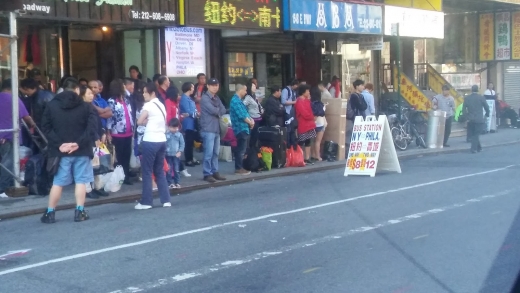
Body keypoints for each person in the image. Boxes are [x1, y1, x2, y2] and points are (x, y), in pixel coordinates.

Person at [40, 78, 98, 223]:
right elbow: (91, 128)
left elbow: (45, 127)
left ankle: (50, 212)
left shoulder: (52, 105)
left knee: (58, 182)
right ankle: (79, 211)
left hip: (61, 151)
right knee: (81, 181)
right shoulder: (86, 106)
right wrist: (78, 143)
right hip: (82, 149)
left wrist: (60, 144)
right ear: (77, 89)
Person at [135, 83, 171, 209]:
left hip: (150, 140)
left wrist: (145, 121)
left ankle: (146, 202)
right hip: (162, 140)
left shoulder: (149, 105)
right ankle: (166, 200)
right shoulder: (161, 105)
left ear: (152, 93)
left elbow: (139, 121)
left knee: (147, 171)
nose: (143, 94)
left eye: (145, 92)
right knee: (159, 170)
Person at [0, 79, 37, 197]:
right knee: (8, 163)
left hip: (2, 135)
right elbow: (26, 117)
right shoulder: (14, 99)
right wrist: (34, 125)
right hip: (10, 136)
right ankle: (3, 189)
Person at [107, 79, 134, 185]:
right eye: (122, 85)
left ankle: (126, 176)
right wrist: (108, 132)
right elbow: (110, 118)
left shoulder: (126, 100)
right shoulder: (111, 101)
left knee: (127, 155)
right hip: (117, 133)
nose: (124, 87)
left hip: (128, 131)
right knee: (119, 156)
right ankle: (119, 177)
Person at [199, 78, 226, 183]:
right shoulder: (205, 98)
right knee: (208, 152)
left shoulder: (217, 97)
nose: (215, 87)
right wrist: (218, 110)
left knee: (215, 152)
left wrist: (218, 110)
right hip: (208, 128)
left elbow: (223, 109)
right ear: (208, 86)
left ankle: (215, 171)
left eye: (216, 85)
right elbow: (214, 111)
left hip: (216, 128)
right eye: (213, 85)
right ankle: (207, 173)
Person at [230, 84, 254, 175]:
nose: (246, 92)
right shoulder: (235, 101)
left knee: (242, 149)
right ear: (240, 90)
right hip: (240, 128)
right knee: (241, 149)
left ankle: (241, 167)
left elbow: (246, 113)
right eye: (245, 90)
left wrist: (251, 121)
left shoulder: (239, 101)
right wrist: (250, 122)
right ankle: (238, 168)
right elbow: (242, 115)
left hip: (244, 127)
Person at [179, 82, 200, 167]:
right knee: (188, 141)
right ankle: (188, 159)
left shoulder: (189, 98)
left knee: (191, 142)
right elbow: (188, 111)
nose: (193, 89)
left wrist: (194, 113)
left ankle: (191, 158)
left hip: (192, 121)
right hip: (187, 122)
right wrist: (196, 114)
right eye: (192, 87)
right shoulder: (184, 98)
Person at [295, 84, 317, 165]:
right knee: (301, 141)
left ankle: (307, 158)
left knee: (308, 141)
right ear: (303, 92)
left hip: (309, 124)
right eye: (307, 91)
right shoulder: (299, 101)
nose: (308, 92)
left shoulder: (307, 100)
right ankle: (300, 158)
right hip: (304, 124)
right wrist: (312, 117)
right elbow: (305, 113)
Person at [464, 85, 490, 154]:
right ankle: (473, 148)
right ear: (477, 90)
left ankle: (479, 147)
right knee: (476, 134)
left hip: (470, 119)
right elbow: (486, 107)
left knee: (473, 133)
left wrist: (466, 117)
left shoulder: (467, 98)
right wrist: (487, 114)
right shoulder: (481, 98)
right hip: (479, 118)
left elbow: (463, 109)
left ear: (471, 90)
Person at [243, 79, 263, 148]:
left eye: (255, 86)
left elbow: (259, 105)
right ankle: (249, 154)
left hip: (258, 119)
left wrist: (262, 110)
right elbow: (243, 106)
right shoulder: (248, 97)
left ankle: (253, 152)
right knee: (251, 138)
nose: (255, 87)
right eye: (253, 86)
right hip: (252, 119)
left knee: (255, 138)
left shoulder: (254, 97)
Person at [347, 80, 367, 146]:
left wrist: (362, 106)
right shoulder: (354, 96)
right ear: (357, 86)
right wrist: (362, 106)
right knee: (356, 134)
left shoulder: (361, 96)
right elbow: (360, 106)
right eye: (361, 85)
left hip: (361, 117)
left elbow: (365, 106)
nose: (363, 87)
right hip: (356, 117)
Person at [165, 118, 185, 189]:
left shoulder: (179, 135)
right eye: (173, 127)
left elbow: (182, 144)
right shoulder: (166, 134)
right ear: (169, 127)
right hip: (168, 154)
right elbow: (164, 144)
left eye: (176, 127)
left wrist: (180, 151)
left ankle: (177, 182)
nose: (175, 129)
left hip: (176, 155)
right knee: (169, 169)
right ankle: (169, 183)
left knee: (176, 169)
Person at [281, 79, 299, 150]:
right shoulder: (286, 90)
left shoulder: (293, 91)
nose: (296, 86)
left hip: (292, 112)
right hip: (287, 112)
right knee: (288, 129)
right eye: (296, 85)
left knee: (292, 129)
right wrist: (294, 102)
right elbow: (283, 101)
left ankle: (292, 145)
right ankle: (288, 145)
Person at [311, 86, 326, 162]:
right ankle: (318, 156)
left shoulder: (310, 103)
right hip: (320, 123)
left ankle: (313, 154)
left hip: (312, 124)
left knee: (313, 141)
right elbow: (323, 115)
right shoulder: (321, 104)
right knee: (318, 141)